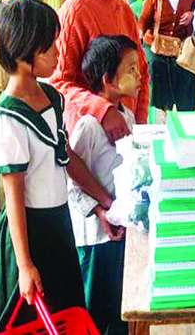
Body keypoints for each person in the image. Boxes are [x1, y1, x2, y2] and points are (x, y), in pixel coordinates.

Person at [0, 0, 106, 335]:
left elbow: (67, 157)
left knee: (66, 314)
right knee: (28, 323)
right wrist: (24, 265)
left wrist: (105, 201)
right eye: (49, 47)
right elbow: (14, 198)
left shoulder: (52, 98)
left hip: (59, 226)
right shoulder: (9, 121)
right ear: (23, 54)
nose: (58, 52)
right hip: (29, 235)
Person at [50, 0, 150, 141]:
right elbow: (59, 84)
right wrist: (102, 110)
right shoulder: (75, 11)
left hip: (127, 134)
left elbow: (142, 72)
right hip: (90, 139)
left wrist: (139, 126)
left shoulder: (124, 9)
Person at [69, 35, 142, 335]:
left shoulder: (127, 117)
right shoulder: (88, 126)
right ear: (108, 80)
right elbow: (71, 182)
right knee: (94, 311)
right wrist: (100, 210)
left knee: (119, 307)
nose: (139, 75)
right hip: (95, 238)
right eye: (131, 69)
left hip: (120, 231)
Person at [139, 0, 195, 112]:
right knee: (157, 72)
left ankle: (185, 115)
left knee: (188, 77)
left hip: (183, 50)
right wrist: (143, 38)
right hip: (159, 50)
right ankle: (161, 114)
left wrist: (193, 14)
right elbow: (143, 21)